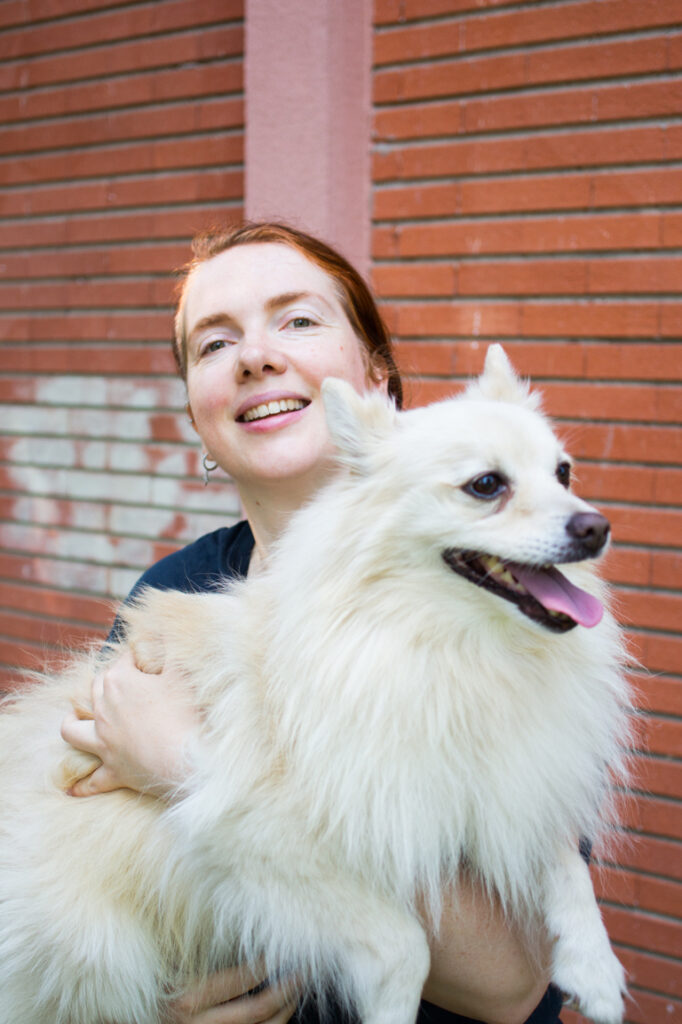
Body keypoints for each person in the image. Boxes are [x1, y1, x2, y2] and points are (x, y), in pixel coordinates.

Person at [61, 222, 562, 1024]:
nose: (255, 355)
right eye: (215, 343)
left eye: (297, 320)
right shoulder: (171, 592)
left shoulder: (497, 592)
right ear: (198, 418)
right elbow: (104, 878)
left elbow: (511, 979)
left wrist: (190, 765)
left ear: (376, 378)